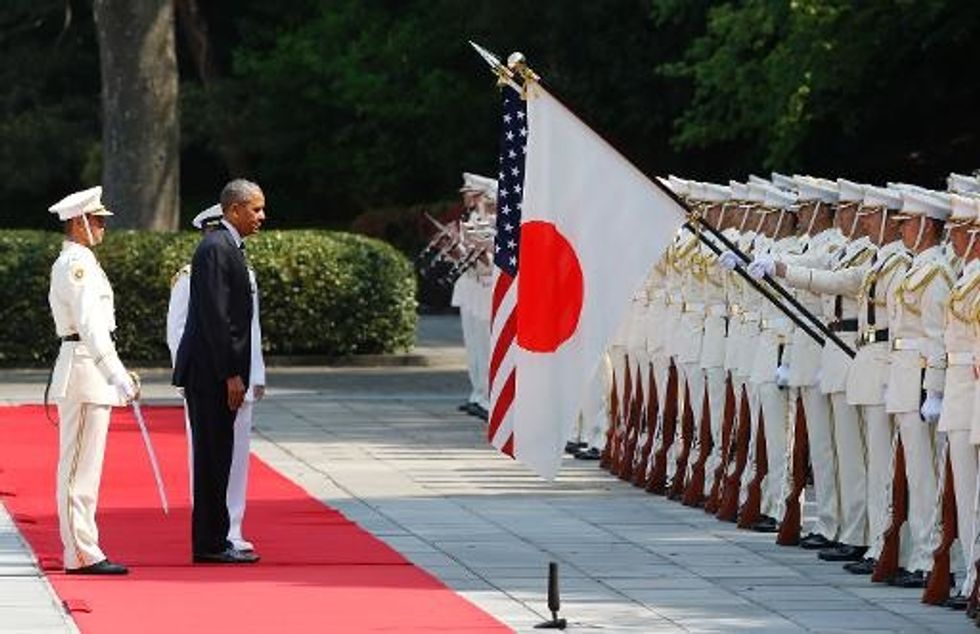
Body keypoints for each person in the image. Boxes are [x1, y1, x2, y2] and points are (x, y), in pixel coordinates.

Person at [47, 186, 139, 575]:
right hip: (85, 368)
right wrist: (114, 372)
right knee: (78, 469)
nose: (102, 226)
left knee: (87, 468)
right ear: (77, 222)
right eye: (96, 219)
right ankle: (81, 553)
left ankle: (86, 547)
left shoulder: (83, 260)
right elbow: (89, 326)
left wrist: (116, 371)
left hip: (90, 369)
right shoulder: (76, 265)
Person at [173, 179, 265, 564]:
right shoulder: (215, 248)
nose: (262, 216)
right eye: (255, 209)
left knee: (219, 456)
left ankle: (216, 538)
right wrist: (231, 374)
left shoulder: (227, 247)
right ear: (233, 210)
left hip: (217, 373)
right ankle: (210, 543)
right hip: (211, 375)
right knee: (212, 458)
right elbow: (216, 318)